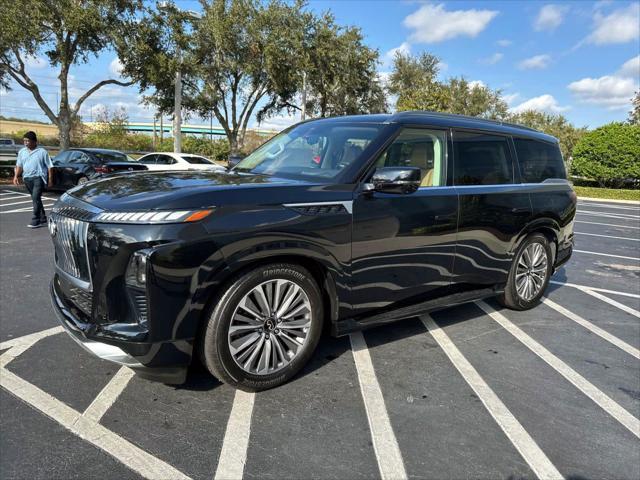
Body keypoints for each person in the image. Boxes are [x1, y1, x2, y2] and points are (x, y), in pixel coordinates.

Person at [13, 131, 54, 228]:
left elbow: (50, 167)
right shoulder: (22, 152)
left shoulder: (42, 152)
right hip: (27, 178)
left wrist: (50, 180)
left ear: (34, 141)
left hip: (38, 178)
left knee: (35, 197)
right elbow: (19, 165)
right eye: (24, 141)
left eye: (28, 141)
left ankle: (36, 219)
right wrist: (16, 176)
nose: (26, 143)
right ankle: (43, 217)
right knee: (36, 199)